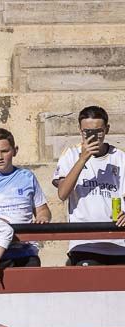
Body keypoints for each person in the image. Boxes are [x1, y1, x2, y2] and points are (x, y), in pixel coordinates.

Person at [53, 105, 125, 265]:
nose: (93, 137)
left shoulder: (120, 158)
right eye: (87, 132)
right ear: (80, 130)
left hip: (119, 243)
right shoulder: (70, 155)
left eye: (98, 131)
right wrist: (82, 159)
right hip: (84, 244)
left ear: (107, 129)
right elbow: (62, 194)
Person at [0, 128, 51, 268]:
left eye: (4, 151)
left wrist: (43, 218)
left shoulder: (27, 177)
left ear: (15, 151)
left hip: (25, 253)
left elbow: (43, 210)